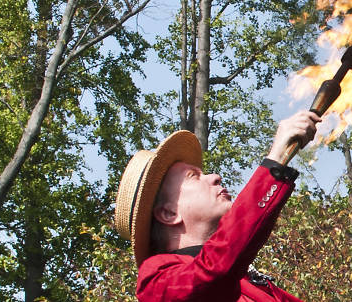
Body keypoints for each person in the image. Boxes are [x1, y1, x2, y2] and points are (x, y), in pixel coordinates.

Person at [115, 111, 321, 301]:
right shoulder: (156, 282)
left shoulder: (247, 279)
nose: (215, 176)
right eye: (193, 177)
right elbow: (212, 272)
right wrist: (275, 160)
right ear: (168, 213)